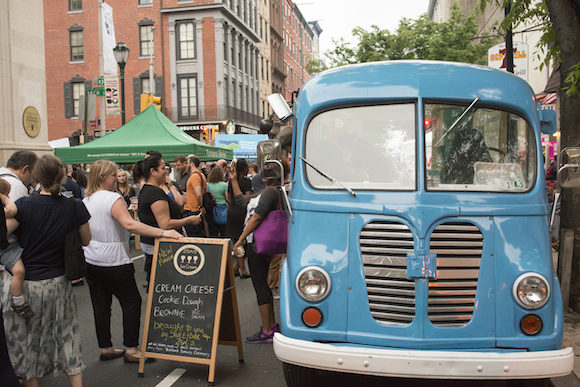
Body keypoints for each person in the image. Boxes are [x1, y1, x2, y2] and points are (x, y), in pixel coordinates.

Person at [1, 154, 91, 386]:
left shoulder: (24, 206)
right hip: (60, 282)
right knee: (67, 335)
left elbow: (4, 232)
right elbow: (86, 240)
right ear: (62, 177)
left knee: (29, 340)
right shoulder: (75, 206)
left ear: (37, 177)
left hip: (28, 285)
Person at [83, 159, 183, 363]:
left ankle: (106, 347)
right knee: (132, 302)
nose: (119, 178)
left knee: (101, 304)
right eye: (114, 175)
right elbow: (130, 225)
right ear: (104, 178)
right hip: (114, 259)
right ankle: (132, 349)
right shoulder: (112, 198)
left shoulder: (87, 199)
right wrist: (163, 232)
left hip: (92, 257)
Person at [232, 161, 288, 344]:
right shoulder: (268, 191)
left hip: (257, 244)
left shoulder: (272, 191)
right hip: (257, 243)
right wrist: (233, 179)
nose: (264, 171)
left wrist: (241, 238)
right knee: (262, 284)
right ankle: (270, 325)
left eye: (268, 168)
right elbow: (242, 201)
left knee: (260, 285)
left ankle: (267, 330)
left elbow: (257, 216)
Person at [138, 156, 201, 288]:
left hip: (154, 244)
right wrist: (189, 220)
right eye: (163, 168)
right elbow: (165, 224)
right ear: (152, 171)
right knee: (165, 284)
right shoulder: (154, 193)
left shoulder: (149, 190)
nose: (166, 171)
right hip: (161, 247)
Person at [0, 180, 30, 318]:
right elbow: (12, 210)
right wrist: (4, 198)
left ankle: (18, 301)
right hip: (7, 248)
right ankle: (18, 301)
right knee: (19, 271)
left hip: (8, 246)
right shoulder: (5, 206)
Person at [226, 159, 252, 278]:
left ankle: (236, 268)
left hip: (232, 211)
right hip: (242, 213)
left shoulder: (231, 182)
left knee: (237, 240)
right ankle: (243, 270)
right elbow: (247, 199)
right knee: (244, 241)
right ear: (245, 168)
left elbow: (229, 198)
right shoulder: (247, 182)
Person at [183, 155, 207, 237]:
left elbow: (198, 193)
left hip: (193, 209)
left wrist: (201, 206)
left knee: (193, 236)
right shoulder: (200, 174)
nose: (186, 165)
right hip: (195, 209)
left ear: (192, 164)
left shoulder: (195, 176)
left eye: (188, 163)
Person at [207, 166, 229, 237]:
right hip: (223, 208)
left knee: (213, 232)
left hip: (212, 209)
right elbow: (227, 198)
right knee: (224, 232)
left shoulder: (208, 185)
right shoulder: (224, 185)